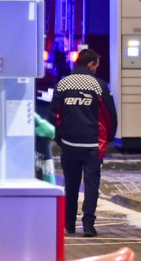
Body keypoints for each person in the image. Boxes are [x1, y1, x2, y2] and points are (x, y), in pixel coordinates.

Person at [49, 49, 117, 237]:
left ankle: (69, 224)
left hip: (69, 144)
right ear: (90, 64)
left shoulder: (63, 84)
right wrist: (109, 138)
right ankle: (88, 225)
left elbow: (54, 115)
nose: (96, 69)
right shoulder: (98, 86)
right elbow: (110, 116)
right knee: (91, 185)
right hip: (92, 145)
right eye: (96, 66)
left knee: (71, 185)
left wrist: (60, 139)